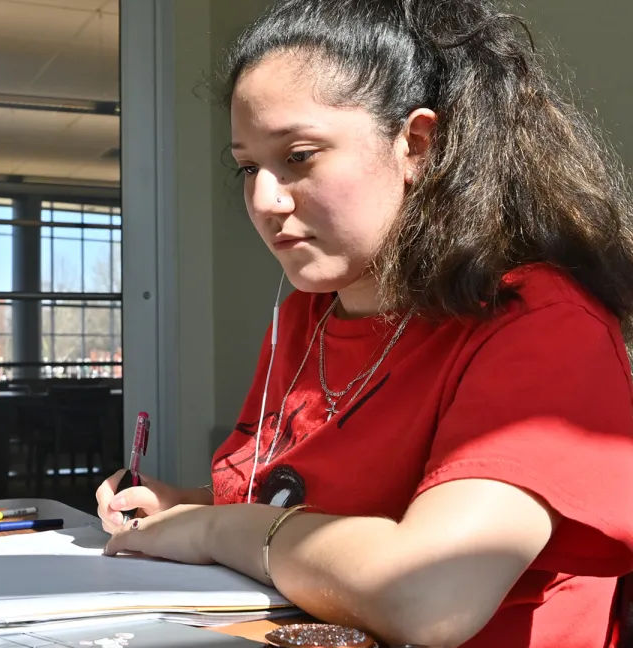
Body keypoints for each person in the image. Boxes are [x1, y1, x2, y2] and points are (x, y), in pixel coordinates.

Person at [96, 1, 633, 646]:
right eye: (248, 167)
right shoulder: (308, 317)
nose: (264, 200)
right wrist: (183, 508)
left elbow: (428, 595)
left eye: (298, 155)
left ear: (415, 145)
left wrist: (215, 531)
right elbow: (309, 511)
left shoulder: (542, 324)